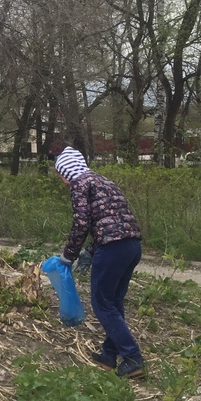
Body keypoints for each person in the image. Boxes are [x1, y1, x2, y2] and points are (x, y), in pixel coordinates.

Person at [54, 147, 145, 379]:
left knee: (102, 303)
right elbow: (114, 222)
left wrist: (69, 254)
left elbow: (81, 222)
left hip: (112, 248)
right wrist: (90, 250)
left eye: (60, 175)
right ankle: (109, 355)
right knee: (114, 302)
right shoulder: (104, 181)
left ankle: (133, 357)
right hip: (132, 246)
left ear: (66, 171)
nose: (63, 181)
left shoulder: (78, 183)